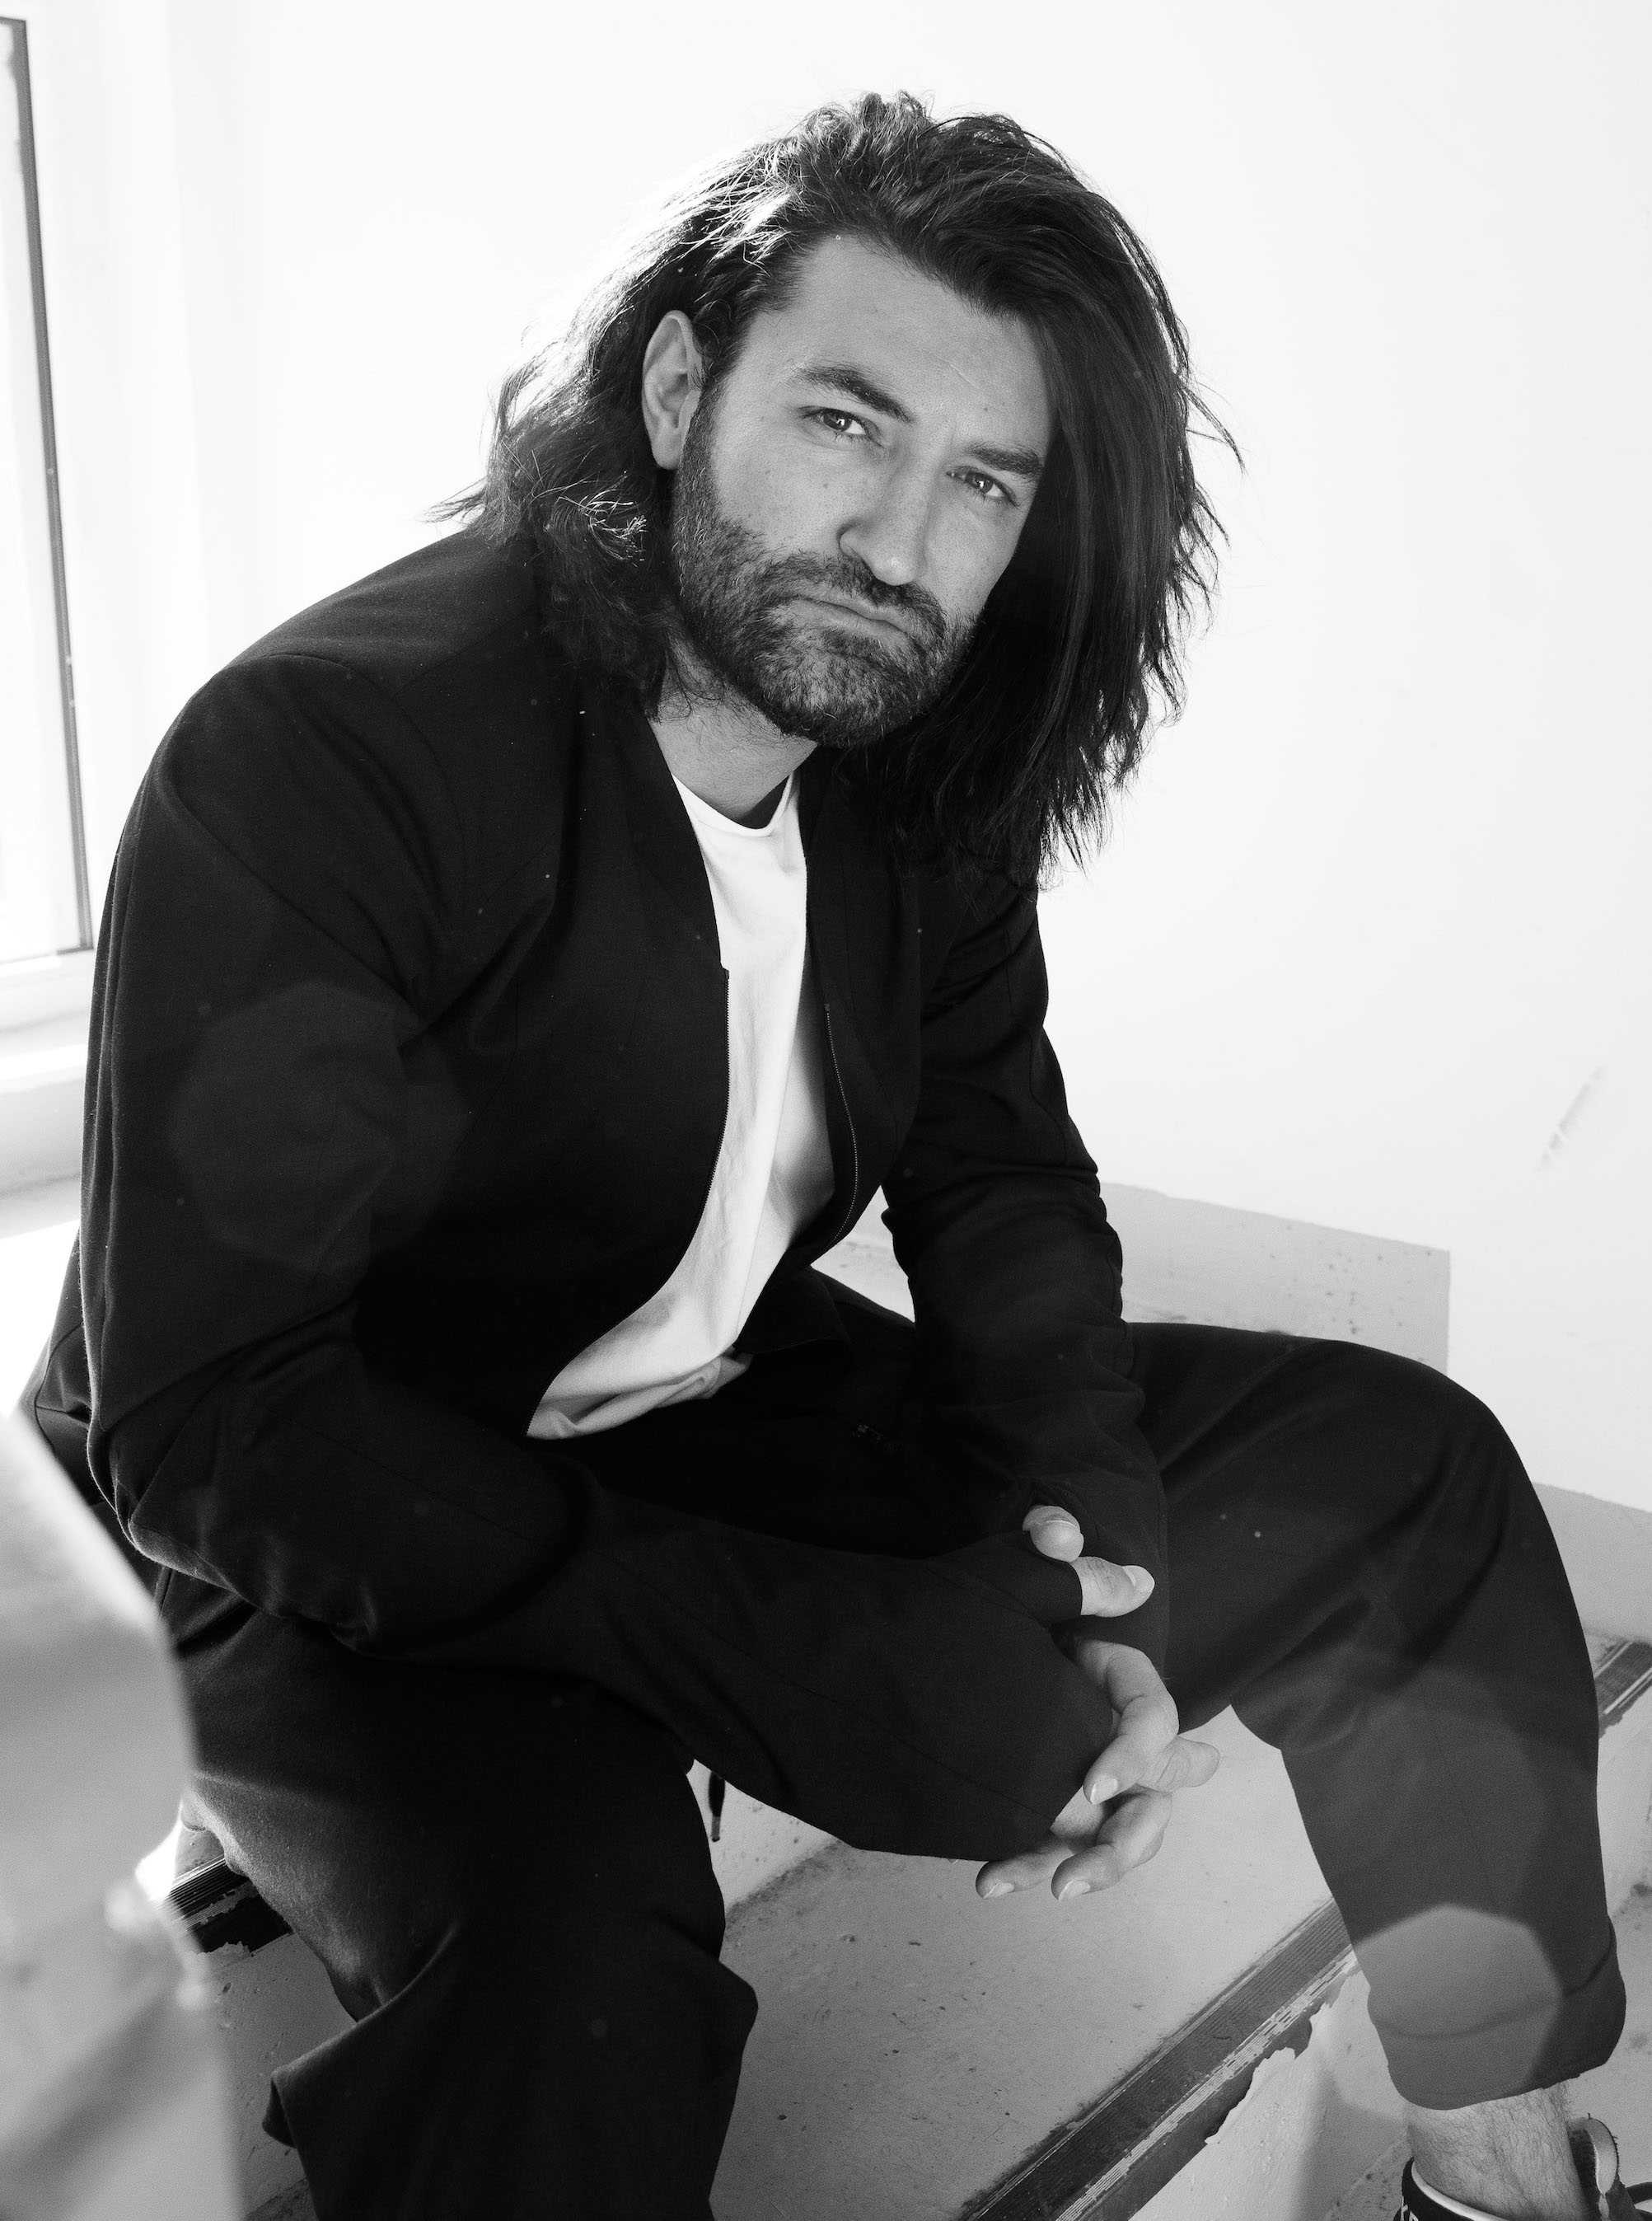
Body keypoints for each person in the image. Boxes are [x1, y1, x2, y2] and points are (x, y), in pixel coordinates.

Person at [24, 91, 1640, 2221]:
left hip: (701, 1398)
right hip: (331, 1493)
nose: (899, 544)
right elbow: (215, 1421)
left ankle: (1501, 2184)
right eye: (846, 424)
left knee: (1406, 1478)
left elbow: (1000, 1188)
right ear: (676, 391)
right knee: (569, 1973)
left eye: (982, 482)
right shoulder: (327, 753)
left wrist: (1094, 1556)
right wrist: (785, 1658)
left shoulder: (905, 750)